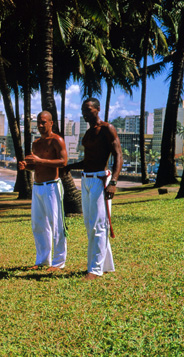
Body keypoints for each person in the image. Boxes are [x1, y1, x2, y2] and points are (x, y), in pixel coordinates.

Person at [65, 98, 122, 280]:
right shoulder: (89, 133)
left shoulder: (107, 129)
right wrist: (70, 166)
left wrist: (113, 182)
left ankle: (95, 270)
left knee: (99, 224)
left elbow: (118, 155)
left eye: (88, 110)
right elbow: (88, 161)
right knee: (90, 224)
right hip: (86, 180)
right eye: (83, 110)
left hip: (100, 180)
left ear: (97, 109)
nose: (85, 113)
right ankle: (105, 265)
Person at [18, 111, 68, 272]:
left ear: (51, 123)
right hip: (38, 186)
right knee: (38, 224)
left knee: (56, 224)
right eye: (38, 122)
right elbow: (36, 166)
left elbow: (63, 162)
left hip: (52, 186)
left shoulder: (57, 140)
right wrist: (26, 167)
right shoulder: (36, 143)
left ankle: (58, 262)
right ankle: (42, 260)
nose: (40, 125)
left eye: (43, 122)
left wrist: (39, 160)